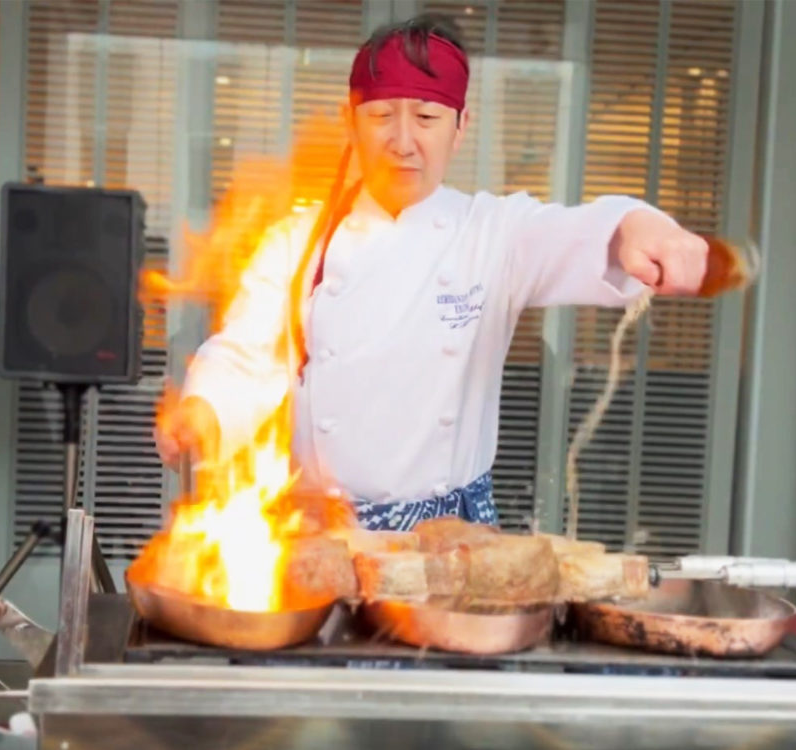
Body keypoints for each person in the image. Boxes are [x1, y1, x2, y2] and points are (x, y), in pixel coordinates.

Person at [154, 13, 709, 532]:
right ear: (351, 122)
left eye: (425, 117)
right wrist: (204, 407)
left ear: (460, 126)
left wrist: (641, 226)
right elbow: (247, 353)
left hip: (448, 538)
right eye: (380, 116)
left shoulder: (494, 232)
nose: (402, 142)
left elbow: (581, 231)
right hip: (321, 533)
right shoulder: (298, 243)